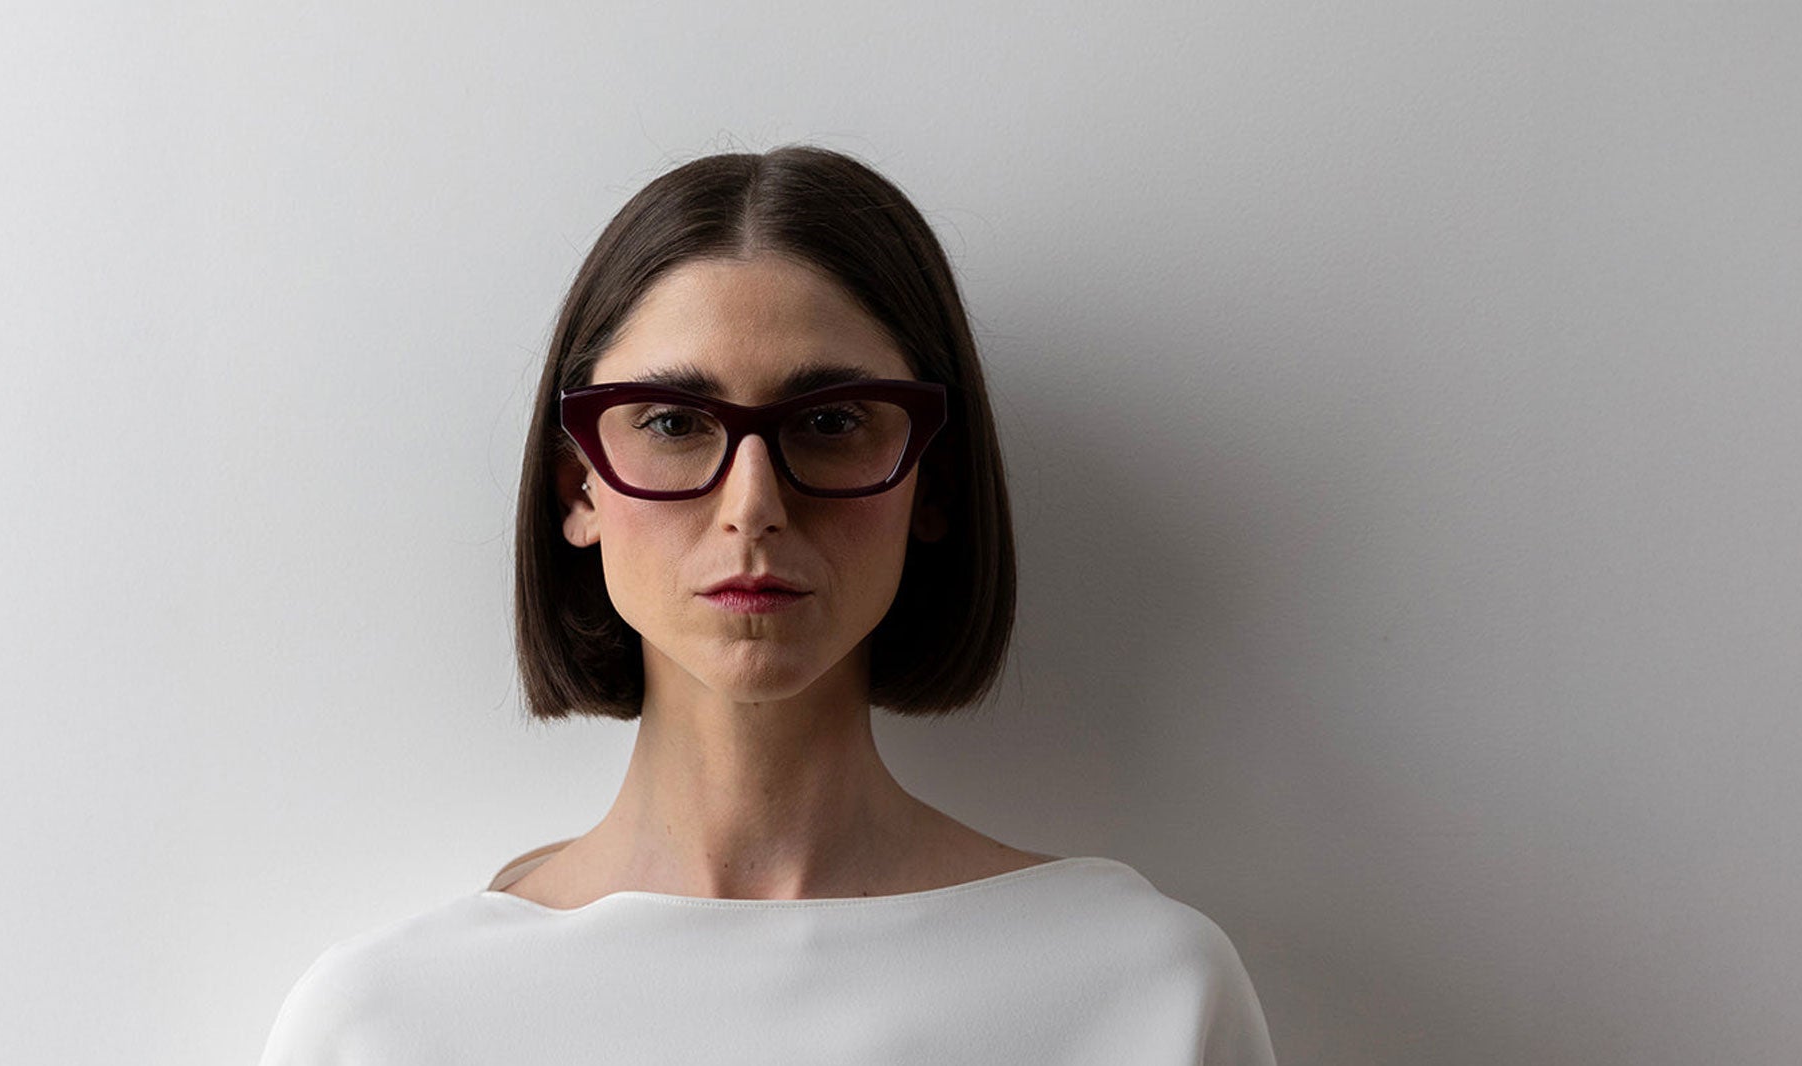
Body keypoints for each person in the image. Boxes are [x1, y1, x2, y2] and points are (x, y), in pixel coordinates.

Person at [256, 145, 1278, 1065]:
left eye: (830, 420)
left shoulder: (1140, 991)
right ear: (579, 490)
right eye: (669, 421)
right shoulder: (388, 1026)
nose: (753, 505)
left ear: (931, 485)